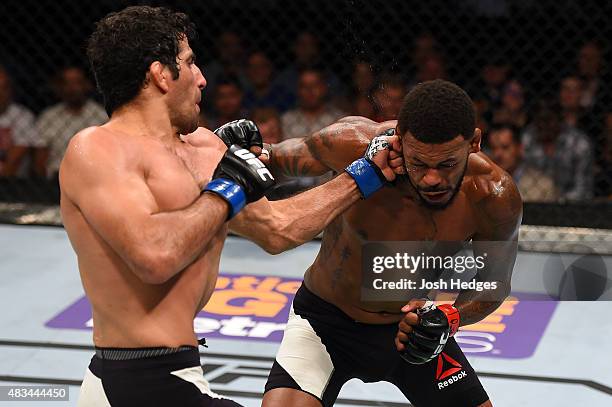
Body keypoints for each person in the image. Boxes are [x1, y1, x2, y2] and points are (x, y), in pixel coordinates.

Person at [63, 6, 397, 407]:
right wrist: (227, 189)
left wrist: (366, 176)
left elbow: (278, 229)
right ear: (159, 75)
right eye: (189, 63)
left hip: (178, 373)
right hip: (132, 378)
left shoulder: (204, 148)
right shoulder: (97, 148)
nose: (202, 78)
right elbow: (154, 256)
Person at [260, 80, 522, 407]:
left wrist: (448, 318)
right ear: (400, 140)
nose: (432, 179)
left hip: (410, 331)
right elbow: (273, 161)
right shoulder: (351, 145)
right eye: (419, 163)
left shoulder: (493, 196)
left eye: (446, 164)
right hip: (325, 323)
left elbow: (492, 283)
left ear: (475, 143)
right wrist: (233, 148)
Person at [37, 66, 108, 179]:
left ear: (87, 85)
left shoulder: (101, 116)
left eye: (77, 82)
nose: (72, 88)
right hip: (56, 177)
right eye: (67, 83)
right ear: (59, 87)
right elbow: (40, 157)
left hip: (92, 176)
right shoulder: (48, 117)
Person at [488, 124, 557, 202]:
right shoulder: (483, 184)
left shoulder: (544, 186)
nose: (497, 154)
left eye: (505, 147)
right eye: (493, 148)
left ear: (519, 148)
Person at [0, 66, 41, 177]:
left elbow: (13, 162)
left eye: (3, 88)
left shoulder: (22, 116)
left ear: (10, 90)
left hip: (16, 182)